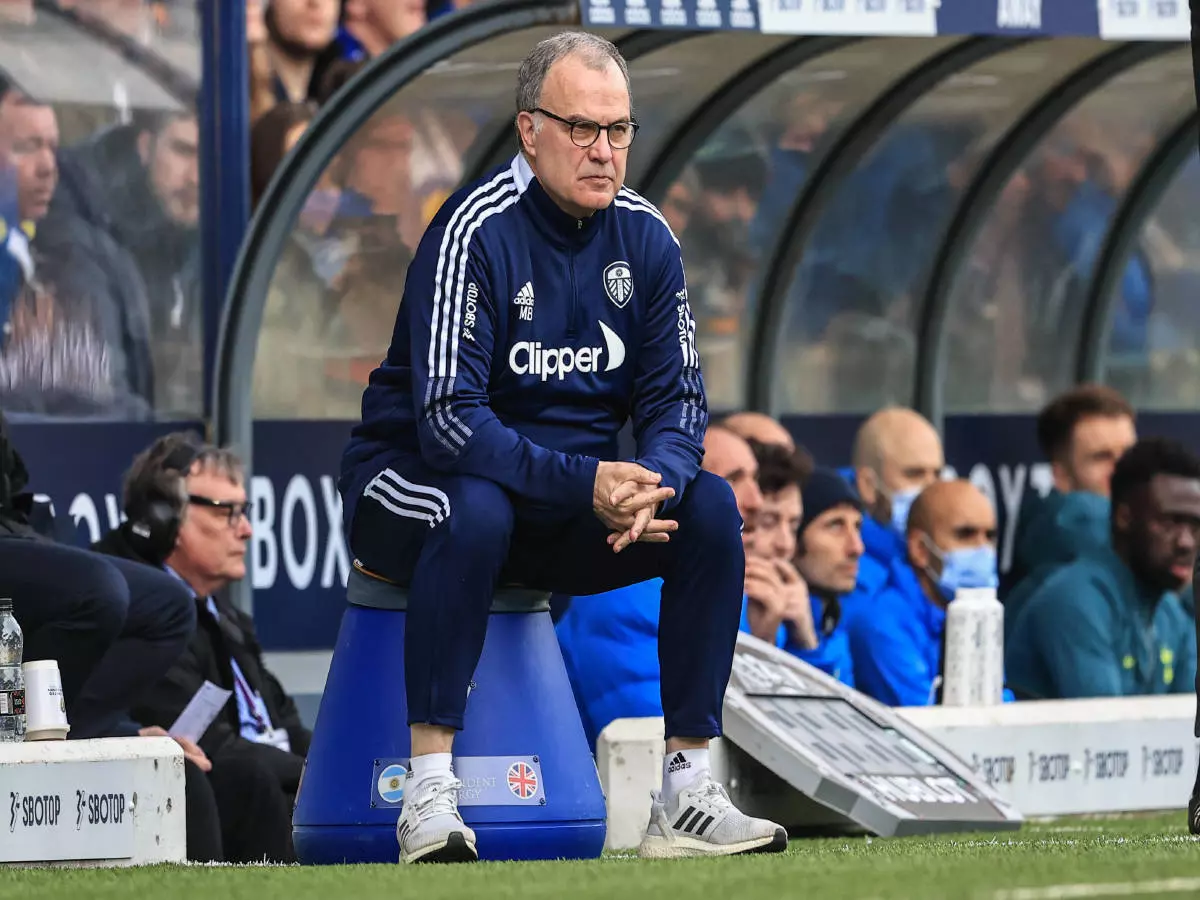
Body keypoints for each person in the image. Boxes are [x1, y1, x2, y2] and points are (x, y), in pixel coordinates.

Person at [338, 32, 787, 864]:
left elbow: (678, 400)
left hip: (561, 509)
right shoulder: (473, 231)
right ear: (528, 130)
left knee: (713, 509)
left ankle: (686, 788)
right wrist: (587, 483)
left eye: (618, 130)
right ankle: (431, 795)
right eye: (581, 128)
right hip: (407, 488)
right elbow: (447, 423)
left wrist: (653, 485)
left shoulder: (648, 240)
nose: (603, 150)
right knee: (471, 506)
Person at [94, 433, 310, 864]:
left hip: (272, 794)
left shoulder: (223, 613)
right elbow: (214, 746)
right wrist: (320, 777)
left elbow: (283, 722)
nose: (246, 530)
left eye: (245, 512)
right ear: (162, 518)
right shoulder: (133, 611)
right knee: (252, 781)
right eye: (227, 512)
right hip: (223, 803)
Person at [554, 424, 764, 749]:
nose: (757, 501)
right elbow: (646, 739)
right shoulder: (623, 598)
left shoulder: (756, 588)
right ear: (682, 491)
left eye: (757, 480)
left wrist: (794, 642)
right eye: (734, 480)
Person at [1006, 439, 1198, 702]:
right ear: (1124, 518)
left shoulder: (1171, 613)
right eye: (1169, 523)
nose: (1186, 543)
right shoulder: (1075, 600)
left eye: (1196, 526)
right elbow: (1109, 736)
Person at [848, 480, 999, 707]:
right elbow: (928, 720)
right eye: (965, 534)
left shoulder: (980, 613)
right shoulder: (881, 625)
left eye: (989, 536)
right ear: (920, 549)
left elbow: (999, 701)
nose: (982, 549)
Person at [1003, 386, 1138, 635]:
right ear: (1061, 476)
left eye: (1130, 454)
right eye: (1102, 457)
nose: (1124, 469)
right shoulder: (1058, 559)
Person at [839, 407, 944, 628]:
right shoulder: (847, 566)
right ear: (867, 485)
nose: (930, 489)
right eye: (914, 474)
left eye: (936, 474)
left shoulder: (927, 554)